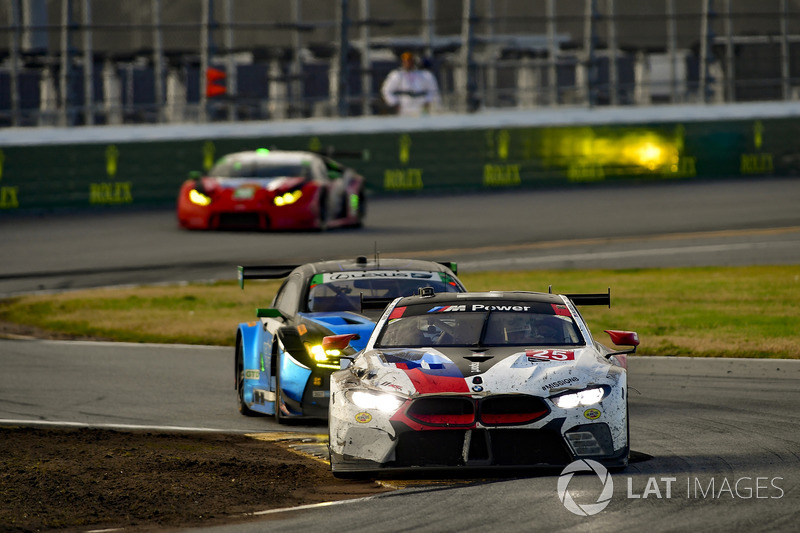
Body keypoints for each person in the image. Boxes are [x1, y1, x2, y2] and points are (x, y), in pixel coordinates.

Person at [380, 52, 441, 116]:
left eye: (410, 61)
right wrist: (394, 102)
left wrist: (427, 101)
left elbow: (433, 90)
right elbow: (386, 90)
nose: (408, 63)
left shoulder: (425, 75)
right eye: (405, 61)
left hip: (421, 106)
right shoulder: (397, 75)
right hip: (404, 107)